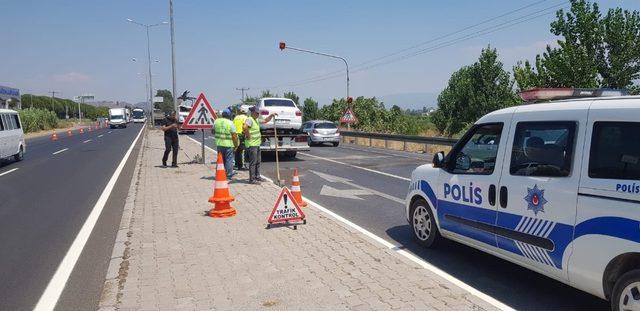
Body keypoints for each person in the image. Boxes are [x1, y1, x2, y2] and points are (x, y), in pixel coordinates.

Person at [243, 106, 277, 183]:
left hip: (257, 144)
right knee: (253, 162)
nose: (258, 114)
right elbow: (245, 127)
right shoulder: (250, 119)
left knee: (258, 161)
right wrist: (248, 135)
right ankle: (252, 179)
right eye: (256, 113)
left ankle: (257, 176)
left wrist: (271, 115)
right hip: (252, 145)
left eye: (258, 113)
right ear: (252, 113)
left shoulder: (256, 120)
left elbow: (265, 120)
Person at [213, 108, 239, 178]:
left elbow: (212, 131)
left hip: (219, 144)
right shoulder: (230, 123)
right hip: (228, 145)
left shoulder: (216, 121)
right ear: (229, 115)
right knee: (229, 160)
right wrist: (236, 145)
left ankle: (219, 173)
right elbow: (234, 136)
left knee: (220, 160)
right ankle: (229, 174)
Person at [233, 106, 249, 170]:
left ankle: (237, 164)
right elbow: (245, 127)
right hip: (241, 135)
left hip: (235, 135)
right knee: (242, 151)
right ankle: (242, 165)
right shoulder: (246, 118)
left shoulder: (236, 117)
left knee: (237, 150)